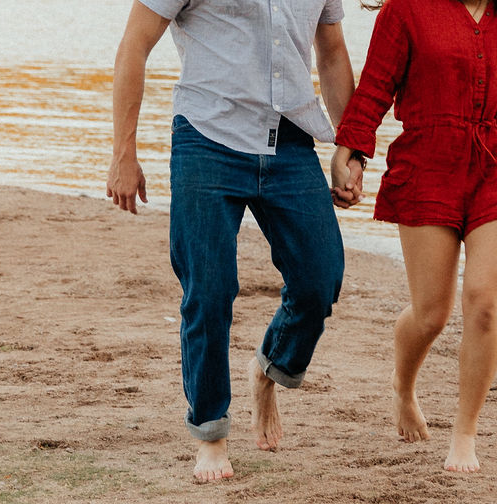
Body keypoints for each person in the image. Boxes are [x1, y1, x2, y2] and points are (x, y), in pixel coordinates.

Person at [330, 0, 497, 472]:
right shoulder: (406, 12)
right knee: (431, 313)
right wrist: (351, 152)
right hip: (429, 164)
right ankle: (403, 386)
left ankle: (464, 434)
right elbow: (374, 90)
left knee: (484, 301)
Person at [107, 0, 364, 481]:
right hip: (207, 136)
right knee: (207, 290)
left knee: (319, 279)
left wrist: (350, 150)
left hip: (290, 142)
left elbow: (330, 53)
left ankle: (269, 369)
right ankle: (211, 433)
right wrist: (125, 152)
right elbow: (134, 46)